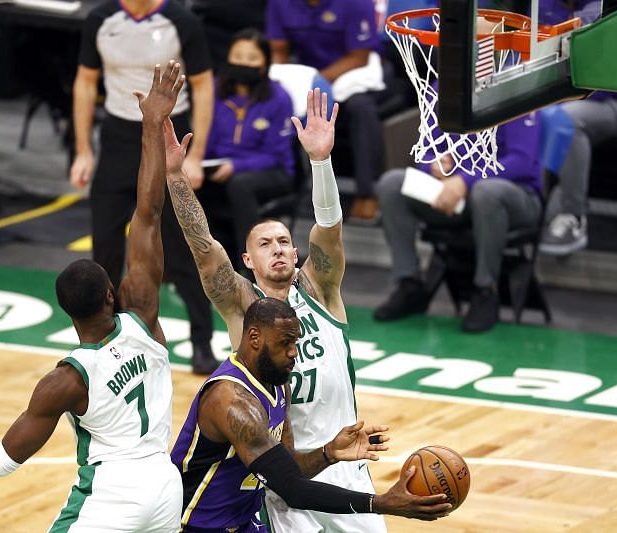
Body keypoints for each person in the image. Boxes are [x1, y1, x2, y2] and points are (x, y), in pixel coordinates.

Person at [0, 61, 188, 532]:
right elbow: (148, 212)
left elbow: (4, 461)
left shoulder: (65, 380)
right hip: (165, 487)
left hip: (113, 496)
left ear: (66, 313)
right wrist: (151, 126)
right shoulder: (142, 315)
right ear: (112, 294)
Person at [165, 88, 390, 531]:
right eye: (265, 244)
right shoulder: (243, 306)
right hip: (282, 473)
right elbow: (203, 246)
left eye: (285, 241)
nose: (278, 249)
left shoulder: (322, 290)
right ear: (248, 261)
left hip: (342, 461)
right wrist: (175, 177)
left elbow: (330, 227)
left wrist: (321, 162)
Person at [171, 297, 451, 531]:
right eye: (285, 342)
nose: (294, 352)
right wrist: (380, 503)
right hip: (194, 523)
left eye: (295, 342)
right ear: (254, 337)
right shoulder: (233, 402)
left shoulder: (278, 381)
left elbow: (290, 469)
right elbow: (291, 489)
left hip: (243, 521)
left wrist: (329, 452)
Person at [70, 0, 219, 374]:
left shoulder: (181, 20)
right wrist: (83, 150)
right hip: (118, 138)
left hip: (168, 134)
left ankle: (202, 342)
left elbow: (203, 86)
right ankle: (108, 344)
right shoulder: (101, 19)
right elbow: (86, 82)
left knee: (181, 252)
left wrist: (197, 153)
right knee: (103, 248)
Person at [373, 113, 543, 332]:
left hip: (516, 196)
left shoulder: (514, 85)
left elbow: (521, 162)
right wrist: (434, 166)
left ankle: (486, 290)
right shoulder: (443, 86)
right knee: (392, 184)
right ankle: (409, 284)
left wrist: (465, 180)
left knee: (487, 192)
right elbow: (425, 149)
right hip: (456, 194)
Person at [266, 0, 386, 221]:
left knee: (362, 108)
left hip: (353, 71)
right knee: (276, 100)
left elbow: (360, 57)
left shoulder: (357, 3)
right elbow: (278, 51)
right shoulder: (280, 3)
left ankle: (367, 193)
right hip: (306, 69)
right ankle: (289, 187)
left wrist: (317, 83)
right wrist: (280, 83)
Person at [206, 28, 296, 259]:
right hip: (221, 166)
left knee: (240, 185)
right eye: (238, 57)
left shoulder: (278, 97)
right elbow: (207, 138)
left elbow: (275, 153)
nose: (243, 64)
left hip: (272, 170)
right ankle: (205, 263)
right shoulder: (214, 91)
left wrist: (235, 166)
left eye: (252, 58)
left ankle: (250, 263)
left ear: (265, 63)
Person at [538, 92, 617, 255]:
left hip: (615, 102)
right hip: (561, 99)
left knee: (564, 119)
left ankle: (573, 216)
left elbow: (598, 82)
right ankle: (534, 209)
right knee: (531, 116)